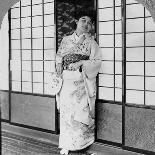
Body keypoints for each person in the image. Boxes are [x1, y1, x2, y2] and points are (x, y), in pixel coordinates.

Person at [55, 10, 101, 155]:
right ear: (76, 21)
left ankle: (82, 143)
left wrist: (81, 61)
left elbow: (96, 61)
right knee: (67, 112)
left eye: (89, 22)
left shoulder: (91, 42)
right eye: (83, 20)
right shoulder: (65, 40)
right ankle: (67, 143)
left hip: (81, 82)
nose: (86, 24)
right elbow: (58, 57)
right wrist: (58, 70)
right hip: (66, 81)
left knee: (81, 112)